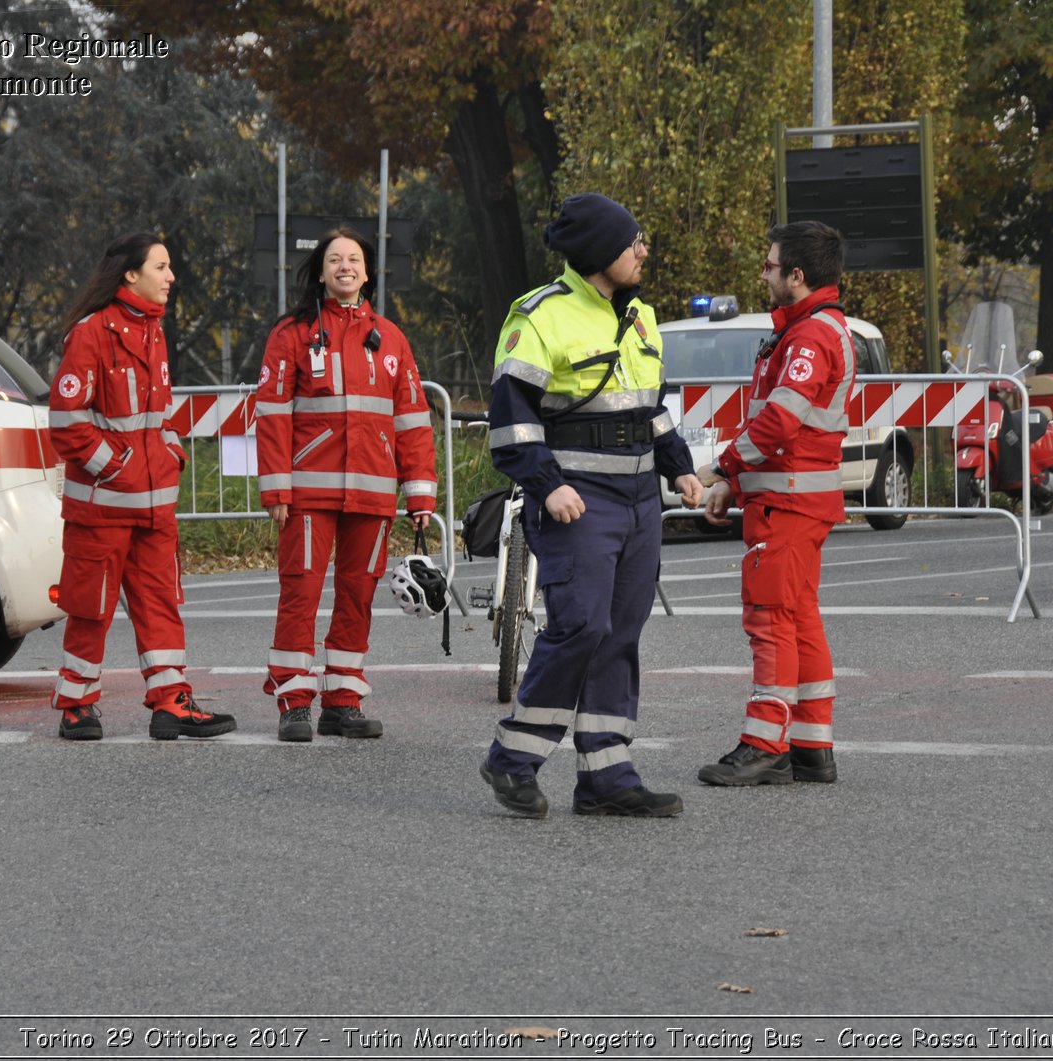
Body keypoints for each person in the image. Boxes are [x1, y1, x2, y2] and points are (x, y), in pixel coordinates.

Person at [480, 193, 705, 818]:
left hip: (638, 501)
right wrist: (547, 484)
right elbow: (511, 419)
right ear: (602, 249)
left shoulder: (640, 317)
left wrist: (679, 469)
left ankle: (607, 776)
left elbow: (648, 406)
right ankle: (512, 759)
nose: (643, 250)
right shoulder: (539, 316)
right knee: (582, 626)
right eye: (633, 240)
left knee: (621, 634)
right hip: (576, 500)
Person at [48, 232, 235, 741]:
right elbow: (67, 421)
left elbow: (158, 415)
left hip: (155, 509)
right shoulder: (90, 333)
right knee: (91, 610)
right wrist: (120, 468)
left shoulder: (153, 330)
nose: (171, 276)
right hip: (103, 510)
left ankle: (170, 703)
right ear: (131, 274)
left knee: (161, 606)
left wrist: (169, 451)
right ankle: (77, 706)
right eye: (162, 266)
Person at [255, 227, 438, 742]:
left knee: (357, 596)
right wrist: (277, 490)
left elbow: (412, 420)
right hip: (308, 495)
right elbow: (271, 417)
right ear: (320, 271)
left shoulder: (392, 339)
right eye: (334, 259)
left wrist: (420, 493)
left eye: (353, 259)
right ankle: (294, 700)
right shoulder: (290, 334)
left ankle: (343, 699)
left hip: (373, 494)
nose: (345, 266)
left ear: (366, 271)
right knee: (302, 594)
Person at [696, 220, 853, 786]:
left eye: (769, 266)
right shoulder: (807, 331)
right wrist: (734, 487)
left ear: (797, 275)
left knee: (769, 622)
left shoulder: (809, 337)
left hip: (787, 506)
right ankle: (812, 745)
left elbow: (781, 422)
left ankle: (765, 742)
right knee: (799, 619)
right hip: (792, 501)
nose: (763, 274)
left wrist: (720, 468)